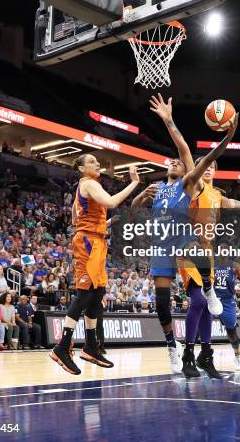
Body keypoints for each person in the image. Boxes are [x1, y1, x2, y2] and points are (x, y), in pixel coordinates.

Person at [146, 95, 240, 378]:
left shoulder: (217, 196)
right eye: (205, 165)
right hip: (186, 249)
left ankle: (204, 354)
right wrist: (170, 121)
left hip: (207, 253)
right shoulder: (196, 186)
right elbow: (190, 153)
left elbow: (234, 204)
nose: (209, 167)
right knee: (200, 302)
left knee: (206, 307)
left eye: (212, 166)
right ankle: (189, 353)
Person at [131, 94, 238, 375]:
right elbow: (132, 209)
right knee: (162, 306)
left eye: (177, 162)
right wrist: (141, 194)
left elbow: (196, 155)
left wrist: (169, 120)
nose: (174, 163)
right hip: (161, 248)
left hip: (184, 241)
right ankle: (171, 345)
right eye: (171, 162)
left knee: (199, 264)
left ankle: (209, 293)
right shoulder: (156, 189)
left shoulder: (187, 185)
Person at [50, 155, 140, 375]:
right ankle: (62, 347)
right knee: (84, 295)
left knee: (97, 292)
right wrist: (134, 183)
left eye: (97, 161)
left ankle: (91, 345)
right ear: (81, 168)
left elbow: (74, 219)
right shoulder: (89, 183)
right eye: (92, 161)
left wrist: (104, 224)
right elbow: (111, 202)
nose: (97, 163)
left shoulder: (85, 187)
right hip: (88, 243)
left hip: (96, 240)